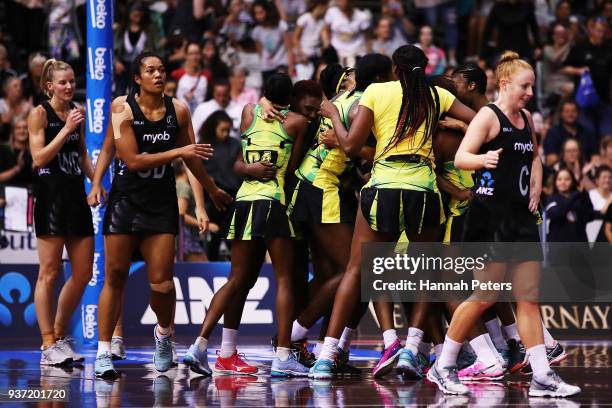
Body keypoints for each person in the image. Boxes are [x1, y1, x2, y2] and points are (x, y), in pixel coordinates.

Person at [310, 44, 475, 379]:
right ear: (423, 69)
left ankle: (326, 356)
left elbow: (351, 146)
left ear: (395, 70)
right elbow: (483, 121)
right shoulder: (436, 96)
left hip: (382, 187)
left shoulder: (377, 91)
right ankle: (412, 351)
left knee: (358, 272)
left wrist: (332, 117)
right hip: (424, 192)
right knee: (426, 274)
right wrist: (457, 127)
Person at [429, 51, 580, 398]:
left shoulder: (526, 117)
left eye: (532, 87)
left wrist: (537, 186)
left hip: (520, 217)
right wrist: (483, 158)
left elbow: (535, 157)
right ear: (506, 83)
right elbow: (463, 156)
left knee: (528, 298)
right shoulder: (488, 116)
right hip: (491, 218)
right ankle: (444, 365)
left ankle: (542, 376)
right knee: (484, 297)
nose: (530, 92)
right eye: (525, 86)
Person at [93, 51, 231, 378]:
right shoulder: (121, 108)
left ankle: (164, 334)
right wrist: (178, 152)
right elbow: (133, 159)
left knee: (163, 284)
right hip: (126, 200)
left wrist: (210, 189)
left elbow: (193, 158)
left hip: (161, 203)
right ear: (138, 78)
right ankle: (102, 353)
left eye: (161, 69)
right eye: (150, 71)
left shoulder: (179, 111)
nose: (158, 75)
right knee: (114, 277)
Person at [183, 73, 311, 378]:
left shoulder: (247, 113)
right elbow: (292, 168)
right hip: (273, 203)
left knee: (238, 279)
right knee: (284, 279)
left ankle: (202, 347)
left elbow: (238, 164)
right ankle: (282, 356)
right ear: (291, 99)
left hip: (244, 203)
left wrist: (251, 168)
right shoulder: (296, 123)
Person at [287, 55, 392, 377]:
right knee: (356, 270)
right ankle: (292, 337)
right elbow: (375, 150)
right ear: (379, 77)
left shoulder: (340, 97)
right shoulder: (365, 102)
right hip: (323, 188)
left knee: (328, 274)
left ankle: (326, 347)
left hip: (312, 185)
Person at [27, 59, 95, 366]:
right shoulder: (39, 113)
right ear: (49, 86)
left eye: (72, 81)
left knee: (82, 274)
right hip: (51, 197)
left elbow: (80, 154)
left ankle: (59, 335)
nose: (69, 86)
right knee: (50, 272)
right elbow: (39, 158)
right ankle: (46, 344)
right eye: (63, 82)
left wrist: (96, 182)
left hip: (76, 197)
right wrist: (65, 127)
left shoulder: (77, 111)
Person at [198, 110, 242, 260]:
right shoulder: (204, 145)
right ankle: (211, 263)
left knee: (235, 236)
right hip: (212, 199)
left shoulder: (235, 144)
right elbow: (199, 172)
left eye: (228, 130)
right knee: (214, 237)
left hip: (234, 197)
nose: (225, 133)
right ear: (213, 128)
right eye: (222, 130)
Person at [546, 168, 594, 242]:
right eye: (559, 179)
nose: (563, 182)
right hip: (559, 246)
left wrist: (585, 196)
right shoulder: (552, 199)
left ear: (573, 182)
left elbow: (590, 216)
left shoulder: (580, 197)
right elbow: (555, 214)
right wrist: (574, 196)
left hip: (580, 245)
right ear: (555, 182)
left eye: (567, 179)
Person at [251, 0, 294, 82]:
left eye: (261, 12)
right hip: (266, 68)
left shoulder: (281, 26)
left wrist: (291, 68)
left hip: (282, 66)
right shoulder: (256, 31)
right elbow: (260, 52)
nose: (258, 16)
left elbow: (289, 48)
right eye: (256, 13)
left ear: (267, 11)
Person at [544, 100, 597, 166]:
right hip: (561, 172)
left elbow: (596, 157)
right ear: (561, 114)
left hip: (586, 169)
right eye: (567, 111)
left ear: (578, 113)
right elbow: (550, 159)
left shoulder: (587, 132)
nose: (570, 114)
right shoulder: (553, 133)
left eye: (573, 111)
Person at [321, 0, 371, 67]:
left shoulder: (362, 16)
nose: (343, 3)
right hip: (335, 53)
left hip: (356, 53)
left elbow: (368, 37)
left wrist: (369, 54)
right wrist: (326, 42)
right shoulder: (332, 12)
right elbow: (325, 30)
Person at [173, 42, 209, 113]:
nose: (194, 57)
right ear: (186, 55)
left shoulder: (207, 75)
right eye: (191, 54)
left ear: (201, 55)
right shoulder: (176, 74)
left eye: (197, 53)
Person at [0, 115, 35, 186]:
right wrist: (18, 168)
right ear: (13, 131)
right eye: (18, 128)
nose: (22, 131)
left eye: (25, 128)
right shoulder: (3, 150)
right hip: (7, 191)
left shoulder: (34, 151)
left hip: (31, 190)